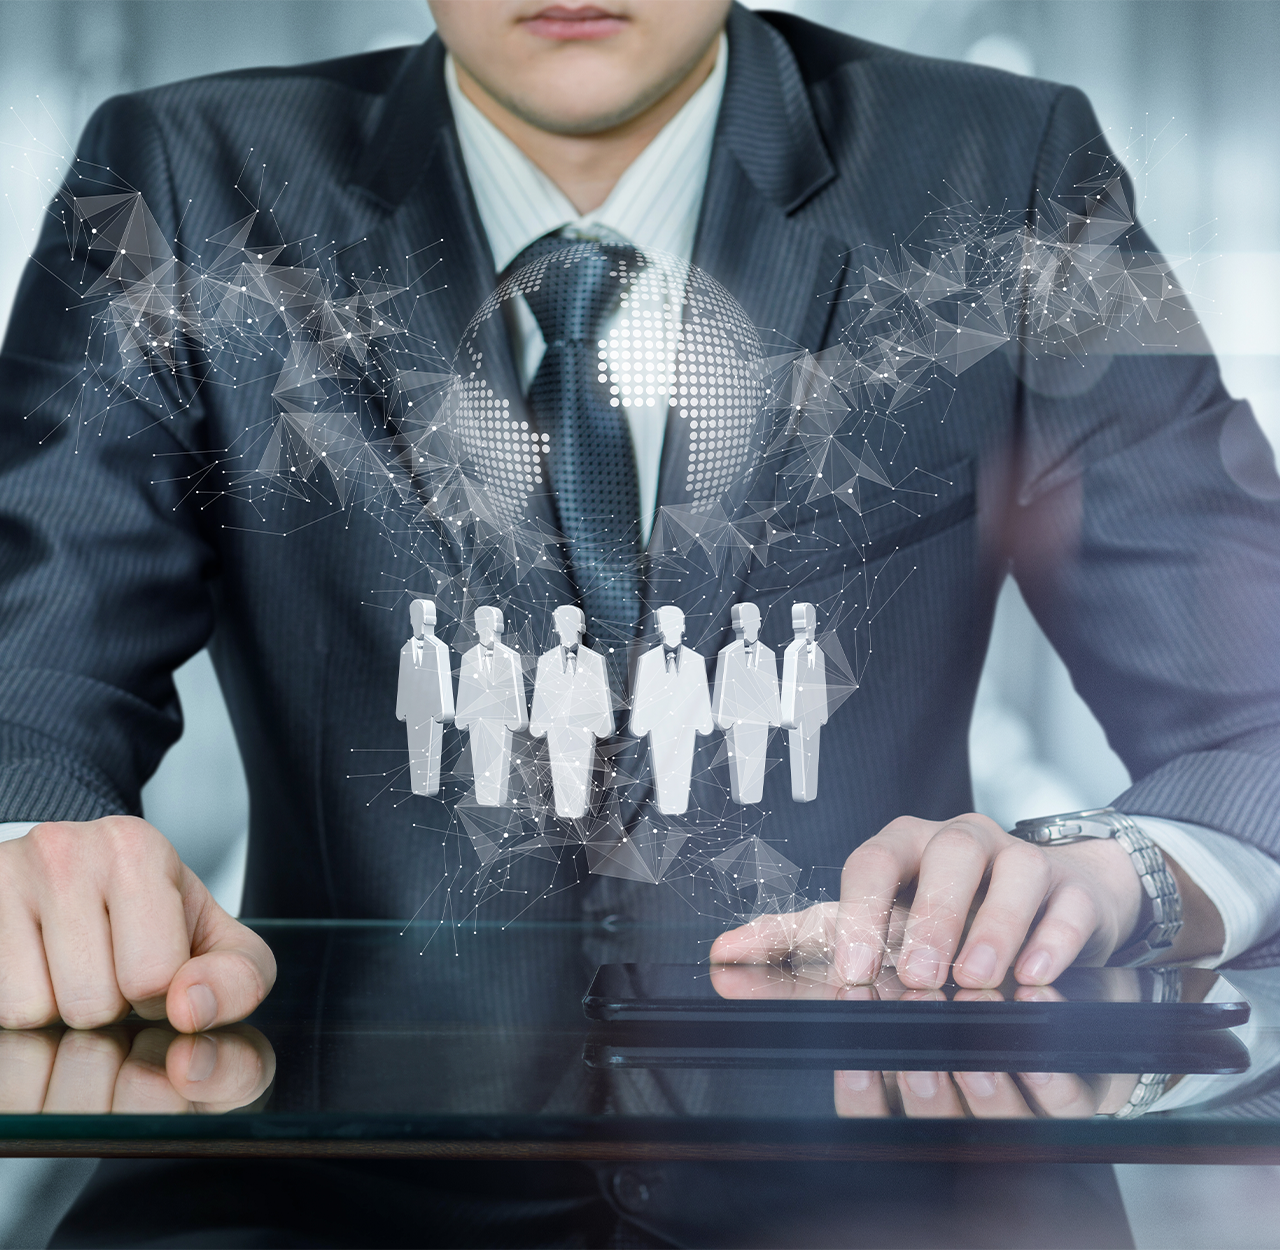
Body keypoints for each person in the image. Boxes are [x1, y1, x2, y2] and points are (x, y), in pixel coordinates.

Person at [1, 0, 1279, 1244]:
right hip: (318, 1200)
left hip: (898, 1196)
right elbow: (28, 680)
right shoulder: (177, 178)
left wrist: (1126, 877)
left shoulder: (1010, 171)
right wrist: (31, 840)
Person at [630, 605, 716, 815]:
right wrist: (639, 724)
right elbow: (642, 693)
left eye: (674, 624)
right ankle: (668, 805)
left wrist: (705, 723)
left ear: (683, 626)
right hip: (659, 727)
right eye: (665, 625)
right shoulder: (647, 661)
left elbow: (701, 691)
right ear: (659, 628)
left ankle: (677, 805)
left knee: (682, 768)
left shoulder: (695, 660)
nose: (670, 630)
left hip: (685, 725)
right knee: (662, 770)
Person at [529, 604, 614, 819]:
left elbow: (599, 692)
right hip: (556, 726)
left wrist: (602, 723)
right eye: (562, 626)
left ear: (580, 628)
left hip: (584, 725)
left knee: (579, 770)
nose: (566, 631)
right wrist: (538, 723)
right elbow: (542, 692)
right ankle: (567, 808)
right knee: (562, 772)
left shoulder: (594, 661)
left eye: (571, 626)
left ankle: (575, 809)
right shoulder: (546, 661)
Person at [453, 606, 529, 807]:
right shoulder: (468, 657)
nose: (486, 630)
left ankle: (492, 795)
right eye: (481, 625)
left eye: (489, 625)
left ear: (498, 628)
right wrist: (461, 717)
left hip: (500, 719)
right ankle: (485, 796)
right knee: (481, 760)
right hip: (477, 719)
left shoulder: (508, 657)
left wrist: (515, 718)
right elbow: (466, 687)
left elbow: (513, 688)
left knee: (496, 763)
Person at [712, 601, 781, 805]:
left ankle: (752, 793)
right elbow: (725, 687)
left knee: (757, 760)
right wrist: (723, 719)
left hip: (760, 719)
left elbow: (772, 686)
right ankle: (747, 794)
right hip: (739, 718)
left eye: (750, 623)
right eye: (742, 625)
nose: (746, 629)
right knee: (742, 764)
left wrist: (775, 716)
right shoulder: (730, 654)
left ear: (759, 624)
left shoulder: (768, 654)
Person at [396, 597, 455, 798]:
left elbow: (440, 679)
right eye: (415, 618)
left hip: (431, 710)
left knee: (428, 755)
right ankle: (420, 786)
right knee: (416, 752)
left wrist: (443, 709)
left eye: (422, 619)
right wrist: (401, 710)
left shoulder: (438, 648)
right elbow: (404, 679)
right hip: (413, 711)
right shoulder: (406, 650)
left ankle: (425, 786)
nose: (418, 623)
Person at [779, 601, 827, 803]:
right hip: (798, 717)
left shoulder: (818, 652)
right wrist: (789, 717)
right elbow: (790, 684)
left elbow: (821, 682)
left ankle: (809, 791)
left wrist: (822, 714)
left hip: (814, 715)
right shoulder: (793, 651)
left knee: (811, 756)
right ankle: (804, 792)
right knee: (801, 759)